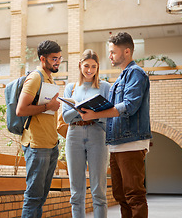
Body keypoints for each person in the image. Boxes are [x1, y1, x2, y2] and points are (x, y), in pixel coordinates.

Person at [80, 32, 152, 218]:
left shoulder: (136, 73)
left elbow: (129, 106)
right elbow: (112, 109)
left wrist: (95, 113)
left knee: (134, 195)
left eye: (112, 52)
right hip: (116, 143)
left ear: (126, 51)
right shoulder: (120, 78)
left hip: (131, 142)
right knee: (120, 196)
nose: (109, 56)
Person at [62, 49, 111, 218]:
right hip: (74, 135)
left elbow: (109, 116)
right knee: (76, 192)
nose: (89, 70)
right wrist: (82, 110)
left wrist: (94, 114)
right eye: (86, 66)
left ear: (98, 68)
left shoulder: (105, 87)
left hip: (97, 135)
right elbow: (66, 117)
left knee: (99, 191)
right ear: (80, 66)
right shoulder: (71, 88)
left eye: (93, 67)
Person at [16, 40, 62, 218]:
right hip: (37, 146)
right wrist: (47, 106)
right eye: (53, 58)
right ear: (43, 59)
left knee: (41, 197)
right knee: (34, 197)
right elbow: (21, 109)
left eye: (59, 58)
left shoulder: (49, 77)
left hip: (50, 144)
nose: (57, 62)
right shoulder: (36, 77)